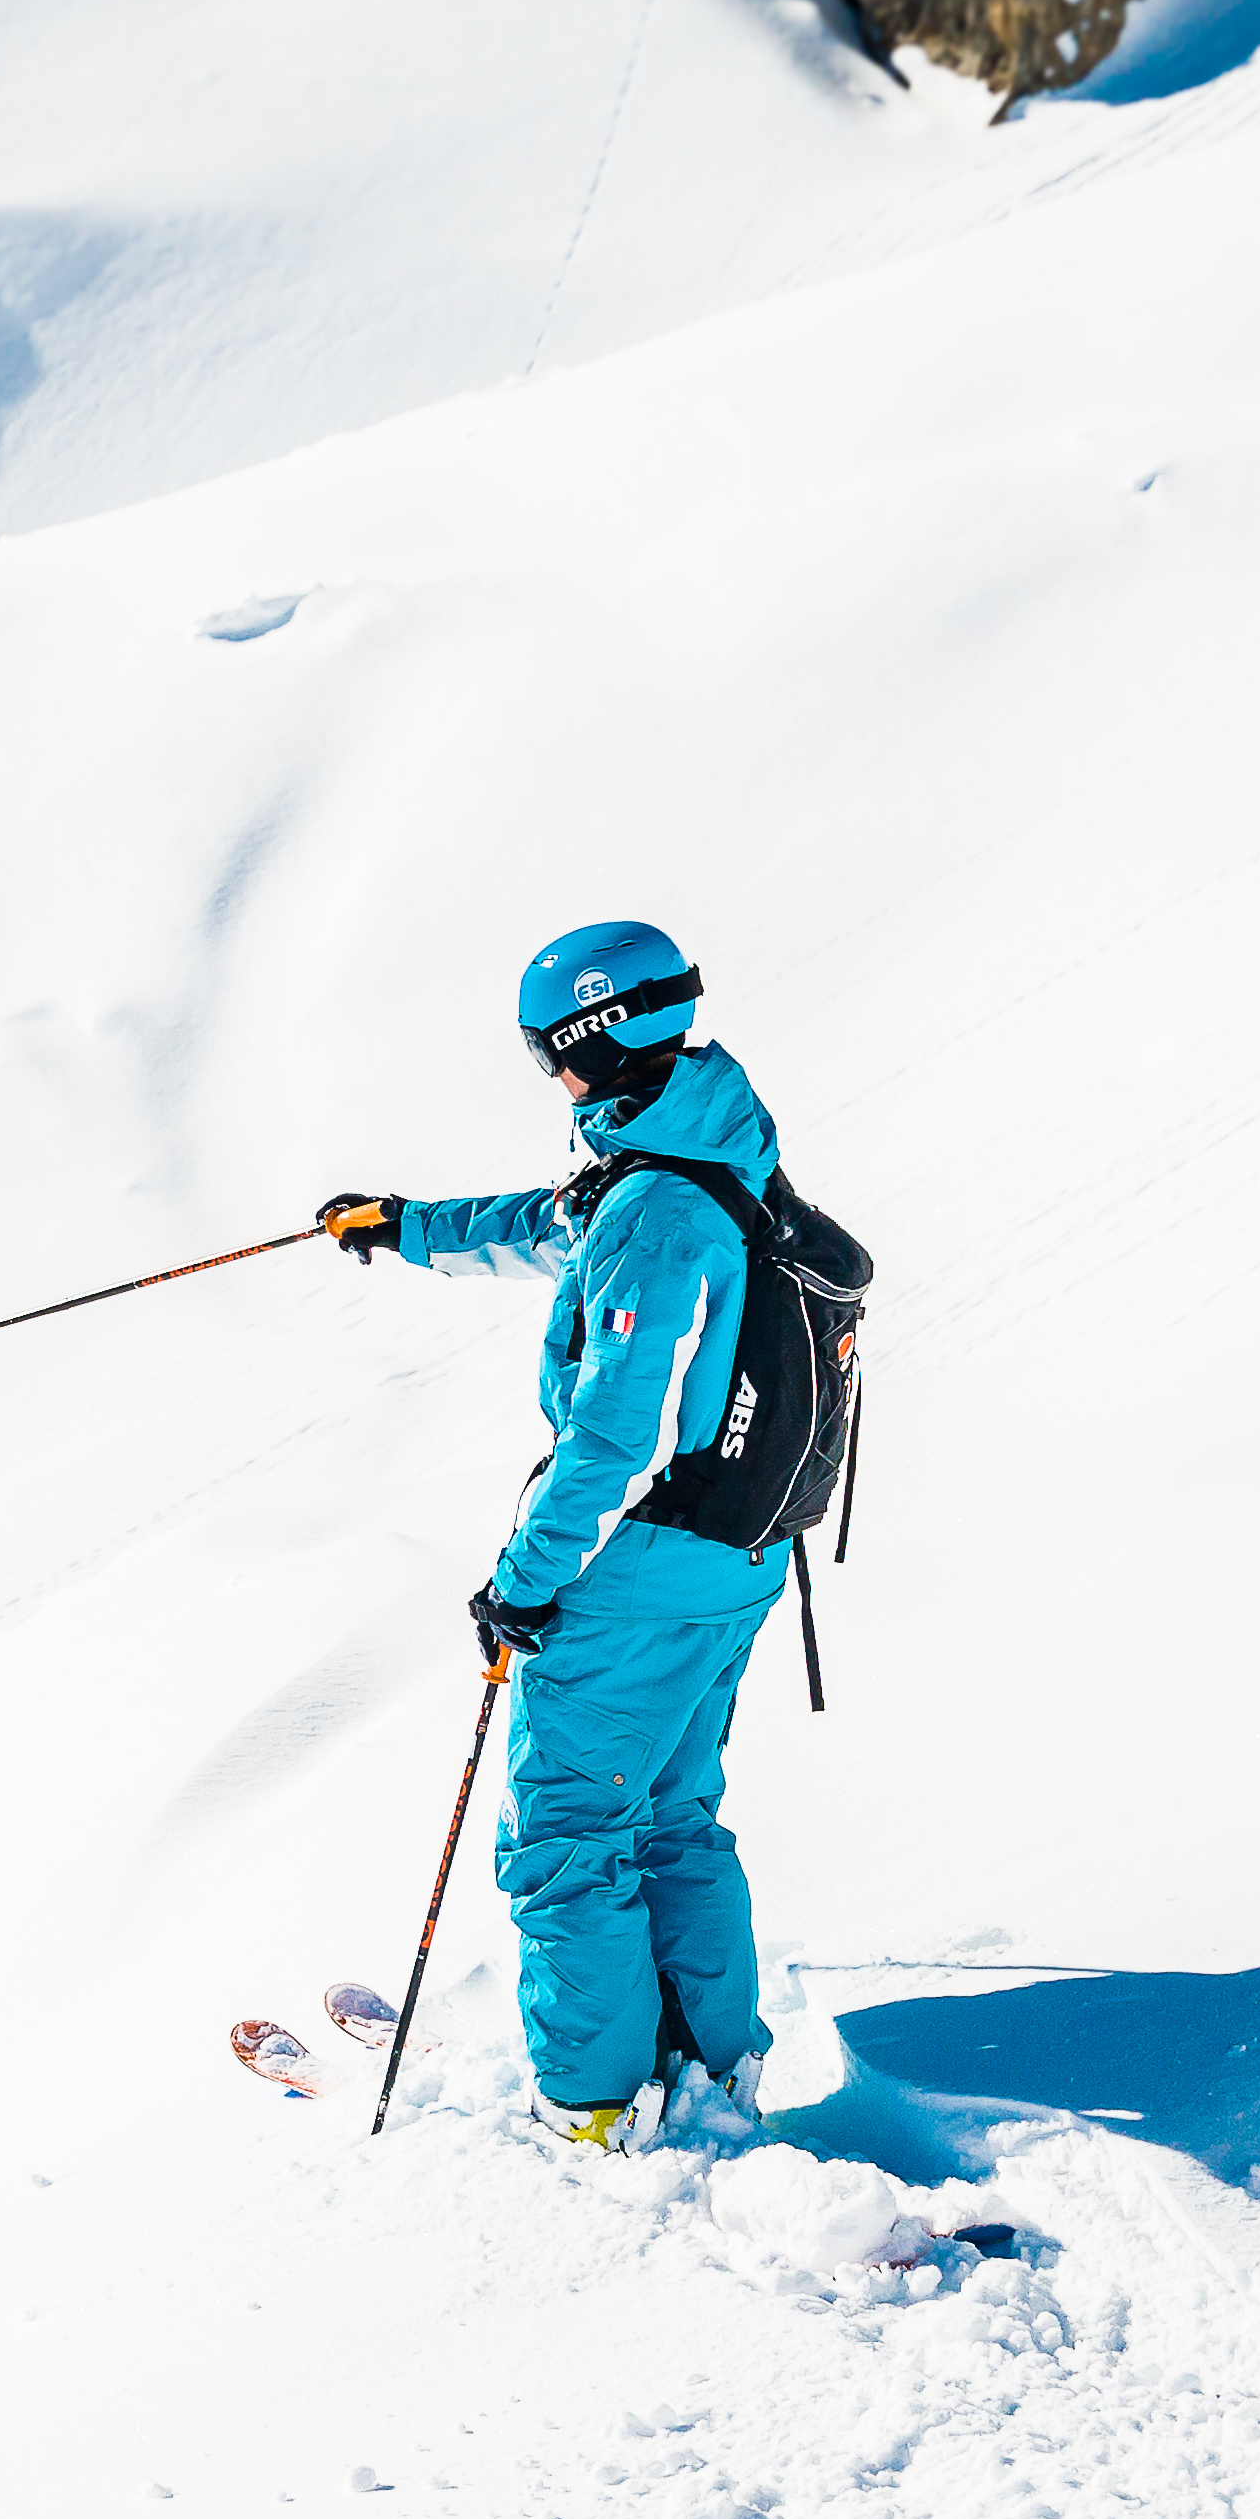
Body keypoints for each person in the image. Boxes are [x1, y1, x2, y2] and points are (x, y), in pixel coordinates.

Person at [318, 919, 798, 2151]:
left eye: (548, 1053)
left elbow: (613, 1438)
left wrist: (523, 1581)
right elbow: (550, 1222)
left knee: (568, 1844)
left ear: (587, 1039)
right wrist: (407, 1224)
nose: (551, 1075)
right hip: (736, 1558)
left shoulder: (653, 1208)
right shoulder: (712, 1149)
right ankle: (710, 2063)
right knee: (672, 1816)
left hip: (636, 1567)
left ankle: (593, 2104)